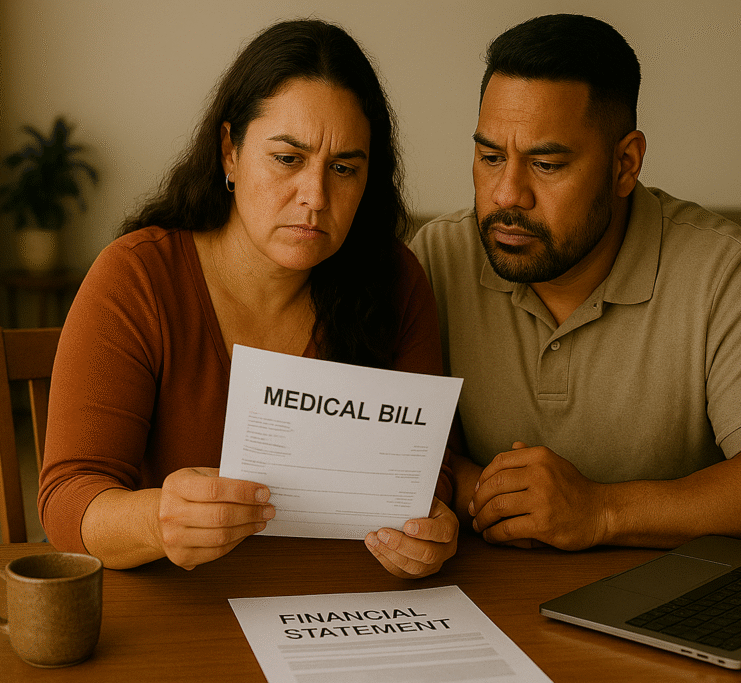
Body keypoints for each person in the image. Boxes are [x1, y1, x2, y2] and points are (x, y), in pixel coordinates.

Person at [39, 19, 457, 578]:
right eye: (287, 158)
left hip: (338, 607)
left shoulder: (396, 279)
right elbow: (67, 499)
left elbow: (432, 470)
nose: (315, 197)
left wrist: (431, 528)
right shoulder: (137, 276)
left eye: (344, 168)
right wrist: (157, 518)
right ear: (230, 152)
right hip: (181, 614)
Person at [409, 14, 741, 552]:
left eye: (546, 164)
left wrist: (601, 511)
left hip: (674, 601)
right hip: (482, 590)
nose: (506, 194)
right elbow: (398, 450)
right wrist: (494, 496)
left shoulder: (724, 270)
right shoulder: (436, 256)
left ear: (625, 164)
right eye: (490, 157)